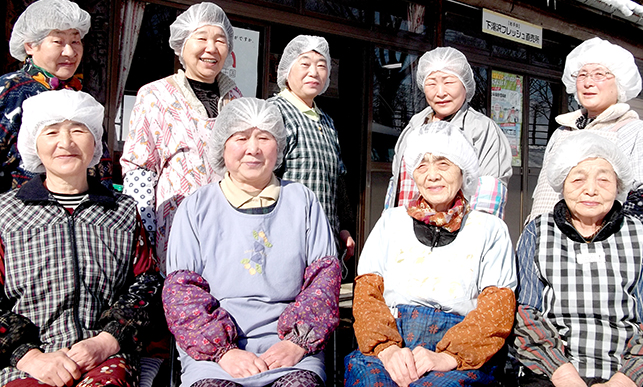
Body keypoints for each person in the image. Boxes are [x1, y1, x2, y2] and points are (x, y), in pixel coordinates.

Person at [163, 97, 341, 387]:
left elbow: (324, 281)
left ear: (279, 145)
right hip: (214, 353)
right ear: (222, 144)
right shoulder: (197, 206)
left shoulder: (303, 201)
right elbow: (181, 293)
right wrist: (223, 352)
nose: (253, 149)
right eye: (241, 137)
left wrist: (297, 342)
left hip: (290, 347)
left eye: (264, 137)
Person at [0, 90, 161, 387]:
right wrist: (28, 355)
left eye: (78, 130)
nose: (66, 143)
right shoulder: (6, 212)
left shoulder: (121, 210)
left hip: (105, 359)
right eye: (51, 132)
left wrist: (108, 340)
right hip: (23, 364)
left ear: (95, 141)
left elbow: (147, 284)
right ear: (34, 141)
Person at [345, 121, 517, 387]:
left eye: (443, 164)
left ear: (464, 171)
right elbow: (367, 295)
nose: (432, 175)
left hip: (461, 348)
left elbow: (496, 310)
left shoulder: (489, 229)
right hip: (393, 341)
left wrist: (448, 357)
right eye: (422, 166)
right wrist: (386, 348)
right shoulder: (391, 222)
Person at [515, 132, 643, 386]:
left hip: (628, 372)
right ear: (561, 184)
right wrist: (564, 375)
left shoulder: (641, 234)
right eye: (578, 179)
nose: (591, 190)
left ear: (619, 185)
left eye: (603, 180)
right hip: (551, 370)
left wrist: (624, 380)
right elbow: (525, 313)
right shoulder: (538, 231)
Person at [121, 1, 242, 272]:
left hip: (230, 228)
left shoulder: (236, 99)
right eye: (201, 38)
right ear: (181, 45)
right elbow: (140, 171)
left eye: (220, 40)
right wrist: (144, 237)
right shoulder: (155, 95)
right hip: (174, 228)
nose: (212, 48)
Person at [528, 36, 643, 219]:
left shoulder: (637, 133)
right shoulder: (562, 132)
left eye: (599, 74)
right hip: (546, 239)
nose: (588, 82)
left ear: (620, 83)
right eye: (582, 74)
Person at [0, 0, 112, 192]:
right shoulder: (10, 90)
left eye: (76, 41)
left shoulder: (77, 94)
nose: (70, 52)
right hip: (21, 215)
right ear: (30, 46)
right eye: (58, 41)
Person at [385, 47, 512, 218]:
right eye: (431, 83)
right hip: (406, 235)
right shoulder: (414, 127)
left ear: (465, 85)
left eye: (449, 82)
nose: (440, 92)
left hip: (457, 237)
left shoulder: (482, 130)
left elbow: (488, 198)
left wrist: (475, 238)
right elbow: (396, 188)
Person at [267, 35, 354, 261]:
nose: (314, 72)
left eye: (321, 65)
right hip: (285, 241)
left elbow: (338, 178)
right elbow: (261, 178)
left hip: (325, 240)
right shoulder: (275, 113)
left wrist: (343, 226)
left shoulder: (325, 120)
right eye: (305, 64)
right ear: (287, 69)